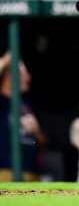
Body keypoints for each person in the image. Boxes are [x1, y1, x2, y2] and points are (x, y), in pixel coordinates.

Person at [0, 52, 46, 181]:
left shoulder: (27, 104)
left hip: (31, 171)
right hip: (5, 171)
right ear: (9, 77)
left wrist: (36, 133)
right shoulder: (2, 102)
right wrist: (4, 61)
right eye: (23, 74)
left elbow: (42, 143)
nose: (28, 77)